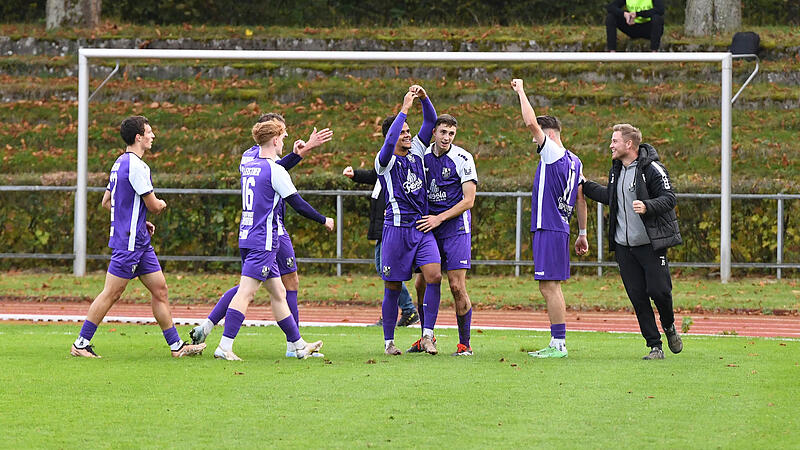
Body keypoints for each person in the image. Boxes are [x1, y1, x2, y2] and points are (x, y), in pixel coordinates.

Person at [190, 113, 333, 359]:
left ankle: (297, 346)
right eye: (283, 135)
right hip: (264, 238)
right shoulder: (274, 170)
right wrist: (324, 219)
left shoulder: (249, 163)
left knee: (278, 293)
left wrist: (298, 153)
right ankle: (224, 347)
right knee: (246, 292)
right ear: (275, 139)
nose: (286, 138)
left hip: (247, 233)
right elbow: (297, 203)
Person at [70, 116, 206, 358]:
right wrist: (161, 205)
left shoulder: (119, 163)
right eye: (149, 132)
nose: (153, 136)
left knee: (160, 290)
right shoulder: (138, 166)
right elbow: (153, 205)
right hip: (130, 241)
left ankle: (176, 347)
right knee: (111, 293)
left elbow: (107, 202)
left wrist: (137, 219)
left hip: (139, 239)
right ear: (138, 138)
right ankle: (80, 344)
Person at [582, 123, 683, 360]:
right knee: (638, 297)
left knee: (659, 292)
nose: (611, 145)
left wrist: (648, 206)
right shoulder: (616, 169)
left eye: (614, 141)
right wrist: (584, 185)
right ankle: (655, 346)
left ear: (629, 144)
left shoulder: (653, 168)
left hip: (650, 245)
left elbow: (670, 198)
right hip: (624, 248)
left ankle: (668, 325)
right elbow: (610, 197)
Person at [510, 79, 589, 359]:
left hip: (550, 226)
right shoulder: (575, 160)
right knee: (549, 285)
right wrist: (583, 233)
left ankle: (559, 344)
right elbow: (580, 197)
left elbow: (531, 123)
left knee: (550, 286)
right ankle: (557, 341)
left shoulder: (553, 152)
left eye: (539, 137)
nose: (534, 141)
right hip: (561, 228)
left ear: (551, 135)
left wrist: (521, 91)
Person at [376, 85, 442, 356]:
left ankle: (427, 335)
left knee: (434, 275)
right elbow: (390, 141)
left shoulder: (416, 149)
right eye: (403, 131)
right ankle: (389, 342)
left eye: (407, 131)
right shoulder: (385, 160)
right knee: (392, 286)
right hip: (395, 230)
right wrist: (403, 108)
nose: (407, 135)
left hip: (421, 227)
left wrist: (425, 99)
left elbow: (430, 121)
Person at [412, 114, 478, 356]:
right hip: (429, 227)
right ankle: (426, 337)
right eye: (442, 132)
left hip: (455, 229)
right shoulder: (420, 156)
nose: (446, 138)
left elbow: (469, 200)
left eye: (451, 133)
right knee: (422, 283)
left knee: (456, 286)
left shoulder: (462, 158)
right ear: (434, 133)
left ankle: (464, 344)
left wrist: (440, 218)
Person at [342, 166, 420, 328]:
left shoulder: (398, 167)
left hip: (390, 227)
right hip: (382, 229)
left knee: (387, 270)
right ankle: (399, 311)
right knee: (384, 270)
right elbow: (373, 175)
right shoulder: (385, 165)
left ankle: (405, 310)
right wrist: (355, 174)